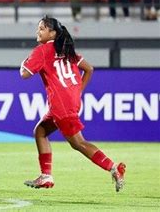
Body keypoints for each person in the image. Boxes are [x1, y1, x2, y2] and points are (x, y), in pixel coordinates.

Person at [19, 16, 126, 192]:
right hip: (70, 101)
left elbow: (24, 74)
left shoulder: (42, 50)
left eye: (42, 28)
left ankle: (114, 168)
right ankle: (46, 176)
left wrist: (24, 62)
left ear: (52, 33)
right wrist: (79, 90)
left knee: (78, 143)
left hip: (60, 105)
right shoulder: (66, 49)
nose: (37, 31)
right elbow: (89, 69)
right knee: (40, 131)